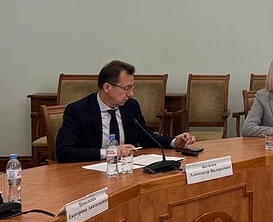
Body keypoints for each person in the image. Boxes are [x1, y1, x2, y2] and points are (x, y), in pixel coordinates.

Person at [56, 60, 195, 163]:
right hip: (88, 173)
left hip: (126, 169)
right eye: (126, 88)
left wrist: (174, 141)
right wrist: (111, 152)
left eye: (132, 87)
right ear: (107, 87)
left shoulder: (130, 107)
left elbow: (146, 137)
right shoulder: (78, 111)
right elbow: (63, 152)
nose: (131, 93)